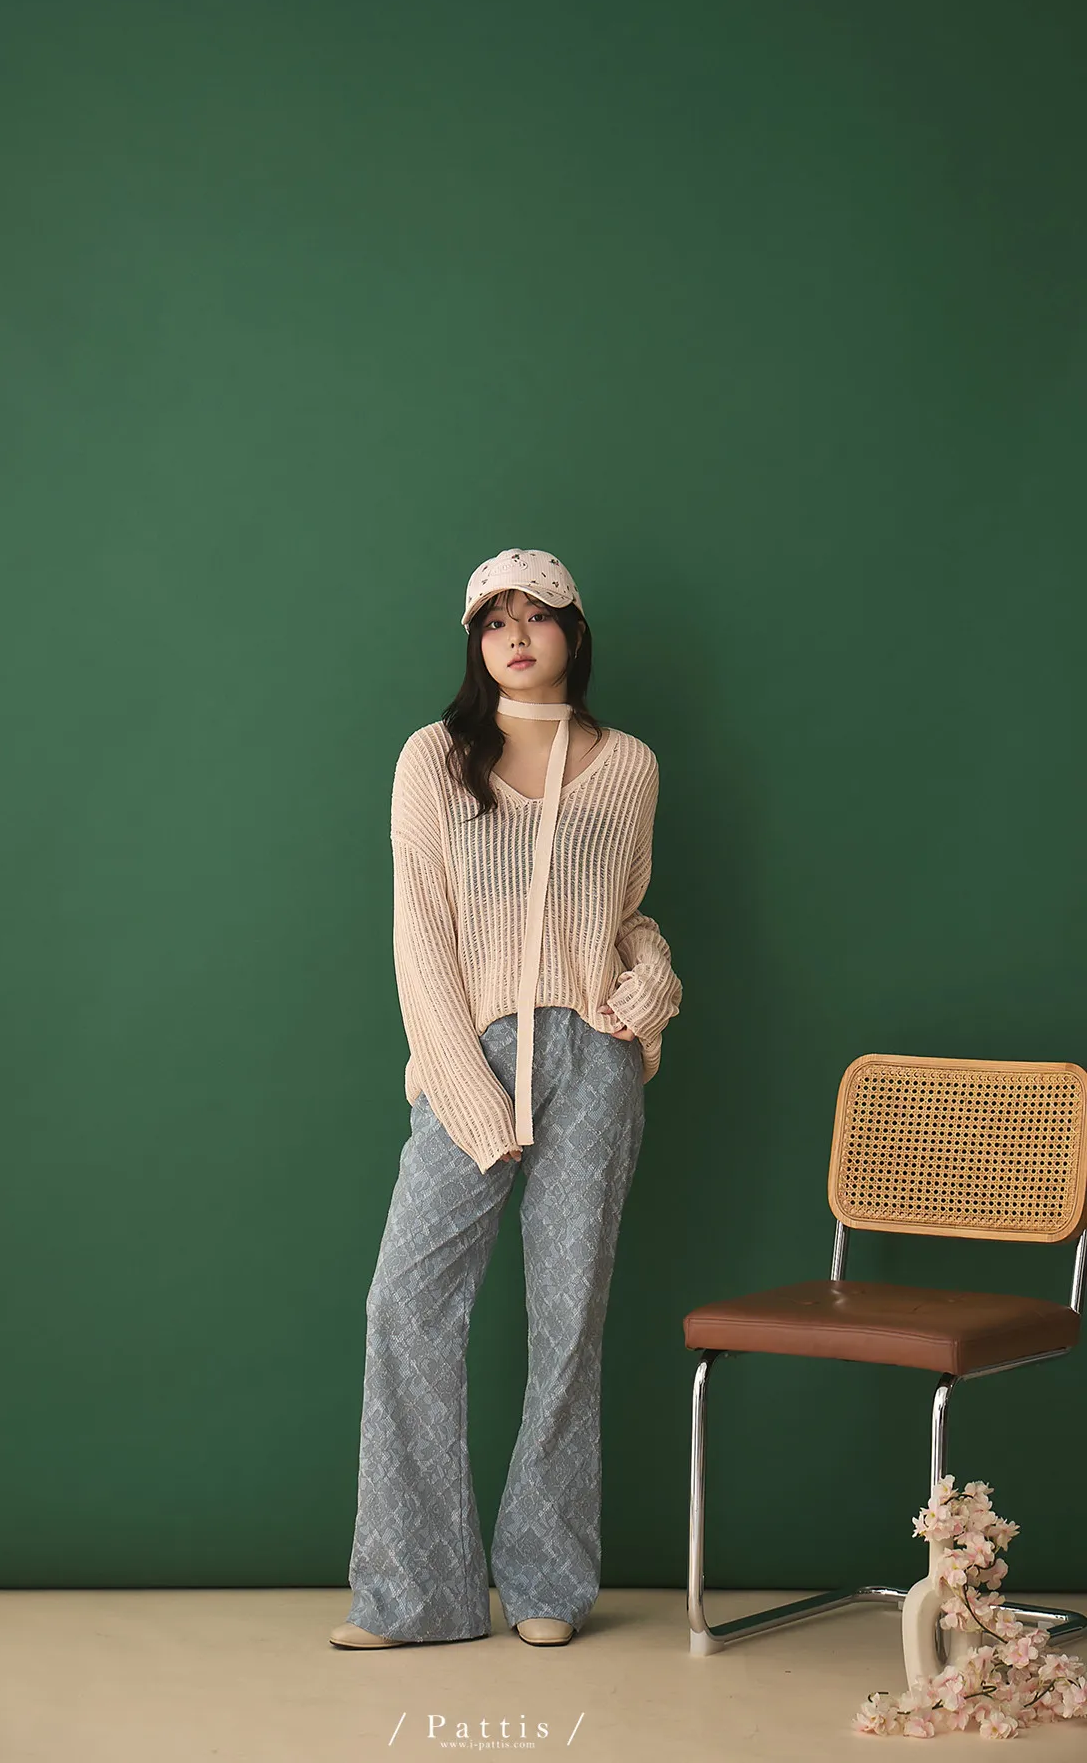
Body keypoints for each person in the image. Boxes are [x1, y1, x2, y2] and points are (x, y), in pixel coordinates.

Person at [330, 548, 682, 1650]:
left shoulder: (629, 766)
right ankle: (414, 1596)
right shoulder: (434, 758)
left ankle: (546, 1584)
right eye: (495, 621)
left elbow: (622, 914)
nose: (517, 637)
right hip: (468, 1054)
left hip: (595, 1058)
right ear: (476, 642)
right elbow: (420, 934)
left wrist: (654, 977)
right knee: (405, 1306)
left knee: (568, 1324)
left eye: (538, 616)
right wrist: (465, 1090)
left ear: (575, 631)